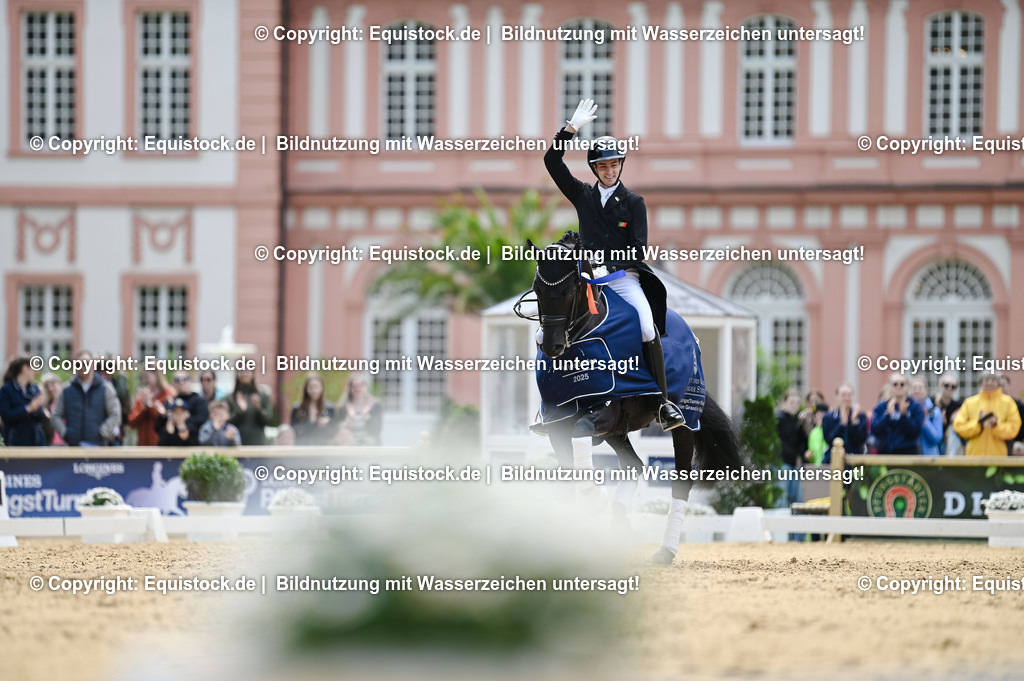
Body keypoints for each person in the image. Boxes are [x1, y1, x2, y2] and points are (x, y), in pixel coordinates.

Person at [543, 98, 684, 431]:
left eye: (615, 164)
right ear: (594, 169)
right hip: (587, 281)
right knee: (543, 331)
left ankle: (662, 404)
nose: (610, 170)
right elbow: (552, 161)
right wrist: (570, 129)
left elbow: (638, 249)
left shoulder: (634, 203)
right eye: (603, 166)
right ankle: (551, 403)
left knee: (647, 326)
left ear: (621, 165)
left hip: (622, 278)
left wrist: (606, 261)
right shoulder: (582, 195)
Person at [51, 349, 121, 446]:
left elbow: (115, 414)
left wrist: (102, 432)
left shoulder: (106, 388)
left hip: (98, 446)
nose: (83, 367)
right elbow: (56, 415)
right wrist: (65, 433)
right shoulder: (66, 390)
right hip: (73, 447)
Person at [953, 371, 1022, 457]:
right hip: (974, 455)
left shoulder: (1008, 402)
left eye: (993, 380)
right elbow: (959, 426)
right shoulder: (969, 402)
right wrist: (978, 424)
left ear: (998, 383)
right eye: (986, 379)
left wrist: (996, 426)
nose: (989, 382)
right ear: (982, 382)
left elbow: (1014, 428)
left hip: (998, 456)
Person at [0, 356, 49, 446]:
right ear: (25, 368)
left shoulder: (34, 389)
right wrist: (28, 408)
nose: (36, 373)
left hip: (35, 440)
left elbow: (40, 419)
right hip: (14, 441)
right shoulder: (7, 389)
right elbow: (6, 416)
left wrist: (38, 408)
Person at [870, 373, 924, 454]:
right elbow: (875, 430)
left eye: (902, 384)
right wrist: (887, 415)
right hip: (886, 453)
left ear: (907, 387)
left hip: (909, 453)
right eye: (895, 384)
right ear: (890, 387)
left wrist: (904, 416)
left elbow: (915, 433)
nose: (898, 387)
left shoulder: (915, 406)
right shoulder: (882, 406)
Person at [821, 383, 868, 463]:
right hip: (833, 460)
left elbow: (861, 440)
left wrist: (854, 423)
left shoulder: (861, 416)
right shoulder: (828, 417)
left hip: (855, 461)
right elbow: (829, 440)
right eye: (843, 395)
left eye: (849, 395)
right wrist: (841, 424)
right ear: (836, 397)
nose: (846, 398)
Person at [127, 370, 176, 446]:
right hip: (143, 444)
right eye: (144, 376)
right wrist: (144, 408)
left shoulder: (169, 394)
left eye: (148, 376)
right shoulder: (143, 395)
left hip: (161, 443)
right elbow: (132, 421)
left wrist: (150, 406)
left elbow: (167, 418)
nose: (145, 379)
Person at [775, 389, 807, 508]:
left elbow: (801, 443)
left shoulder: (797, 421)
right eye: (791, 402)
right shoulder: (778, 418)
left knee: (796, 498)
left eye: (797, 403)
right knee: (782, 497)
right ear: (784, 402)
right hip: (781, 464)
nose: (794, 405)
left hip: (795, 464)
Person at [155, 371, 208, 443]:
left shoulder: (199, 401)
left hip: (191, 444)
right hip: (170, 445)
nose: (181, 382)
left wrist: (182, 421)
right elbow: (158, 428)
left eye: (185, 379)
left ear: (190, 381)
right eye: (177, 380)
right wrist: (164, 415)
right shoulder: (170, 402)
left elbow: (201, 421)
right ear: (173, 383)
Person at [229, 369, 274, 446]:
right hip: (237, 445)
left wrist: (258, 409)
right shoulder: (230, 397)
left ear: (253, 373)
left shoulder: (262, 396)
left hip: (258, 445)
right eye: (241, 371)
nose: (244, 374)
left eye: (247, 371)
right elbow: (226, 422)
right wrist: (239, 412)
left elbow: (269, 420)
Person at [290, 374, 336, 446]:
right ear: (306, 389)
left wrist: (326, 425)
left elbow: (333, 432)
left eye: (316, 387)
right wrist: (316, 423)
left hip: (323, 446)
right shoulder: (297, 408)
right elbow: (294, 431)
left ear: (322, 388)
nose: (314, 390)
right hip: (303, 446)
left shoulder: (329, 408)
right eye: (311, 387)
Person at [336, 373, 382, 446]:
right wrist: (350, 419)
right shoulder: (343, 406)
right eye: (355, 386)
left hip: (370, 446)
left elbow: (376, 431)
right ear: (350, 389)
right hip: (349, 446)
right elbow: (338, 430)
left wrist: (366, 416)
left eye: (361, 385)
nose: (358, 388)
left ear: (366, 387)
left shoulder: (375, 406)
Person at [910, 377, 944, 457]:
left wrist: (924, 422)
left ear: (926, 391)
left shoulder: (935, 412)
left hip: (930, 459)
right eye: (914, 388)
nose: (917, 391)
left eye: (920, 388)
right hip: (910, 458)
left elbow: (937, 439)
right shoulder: (905, 411)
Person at [933, 373, 963, 456]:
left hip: (948, 444)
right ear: (940, 386)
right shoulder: (932, 403)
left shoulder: (958, 406)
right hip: (933, 442)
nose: (949, 388)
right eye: (946, 385)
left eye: (953, 386)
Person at [999, 374, 1024, 454]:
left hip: (1014, 441)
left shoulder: (1018, 404)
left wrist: (1019, 441)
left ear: (1008, 385)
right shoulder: (993, 404)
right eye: (999, 385)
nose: (1001, 388)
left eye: (1003, 385)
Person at [39, 372, 65, 445]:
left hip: (69, 445)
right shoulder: (44, 407)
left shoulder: (69, 403)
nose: (50, 389)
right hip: (51, 445)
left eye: (53, 385)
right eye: (47, 386)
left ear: (60, 385)